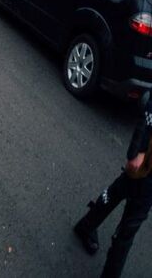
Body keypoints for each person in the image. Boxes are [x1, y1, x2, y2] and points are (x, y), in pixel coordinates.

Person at [73, 96, 152, 278]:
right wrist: (138, 150)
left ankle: (86, 226)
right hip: (146, 167)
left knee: (119, 192)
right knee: (128, 228)